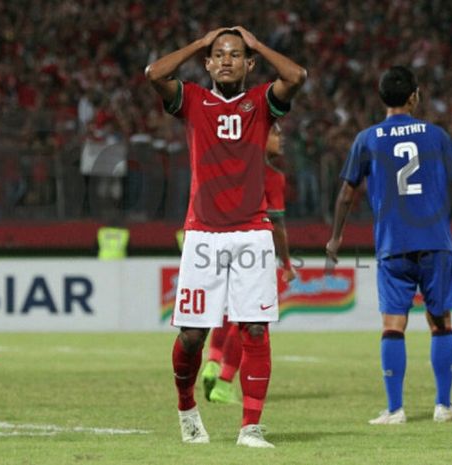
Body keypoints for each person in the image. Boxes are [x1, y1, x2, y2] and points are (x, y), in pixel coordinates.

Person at [146, 26, 306, 447]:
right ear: (209, 63)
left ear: (249, 63)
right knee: (192, 335)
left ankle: (250, 427)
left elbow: (297, 76)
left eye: (237, 54)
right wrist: (199, 42)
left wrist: (259, 44)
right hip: (203, 235)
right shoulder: (194, 101)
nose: (228, 60)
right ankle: (186, 408)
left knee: (255, 328)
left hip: (253, 232)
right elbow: (154, 74)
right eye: (220, 54)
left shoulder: (262, 104)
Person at [325, 66, 452, 424]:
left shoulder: (367, 138)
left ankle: (394, 410)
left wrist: (337, 235)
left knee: (393, 325)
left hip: (393, 245)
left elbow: (346, 192)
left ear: (381, 97)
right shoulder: (435, 135)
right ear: (414, 97)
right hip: (435, 242)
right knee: (441, 323)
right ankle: (443, 405)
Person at [202, 123, 296, 405]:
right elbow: (277, 224)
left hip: (219, 245)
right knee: (250, 318)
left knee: (229, 311)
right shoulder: (272, 176)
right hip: (254, 250)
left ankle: (212, 362)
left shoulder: (229, 166)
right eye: (276, 133)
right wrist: (287, 263)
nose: (281, 139)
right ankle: (225, 382)